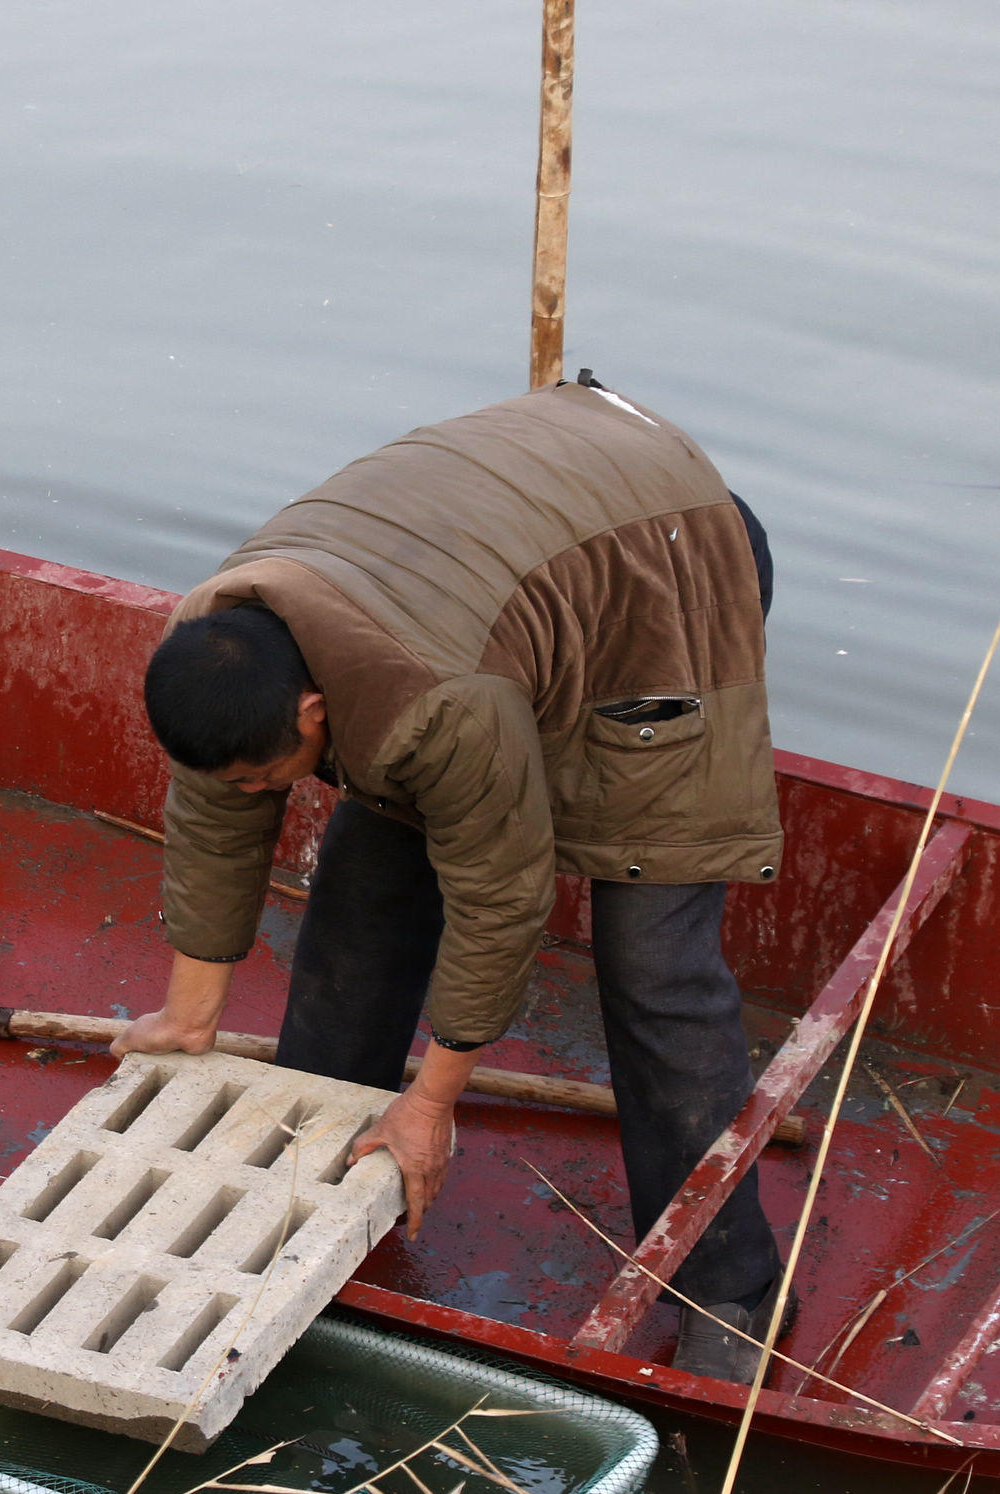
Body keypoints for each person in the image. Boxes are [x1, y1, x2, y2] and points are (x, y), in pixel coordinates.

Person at [113, 376, 788, 1383]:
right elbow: (218, 814)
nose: (257, 793)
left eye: (269, 773)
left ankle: (726, 1287)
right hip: (498, 570)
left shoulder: (443, 705)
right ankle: (311, 1174)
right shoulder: (220, 636)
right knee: (365, 883)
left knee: (654, 962)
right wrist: (189, 1012)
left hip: (666, 565)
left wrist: (431, 1104)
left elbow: (501, 894)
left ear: (309, 713)